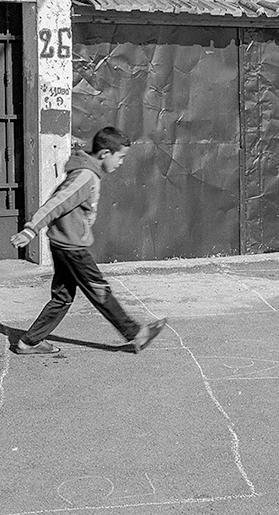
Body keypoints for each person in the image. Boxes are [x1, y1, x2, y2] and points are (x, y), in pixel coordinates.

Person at [10, 125, 166, 355]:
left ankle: (29, 341)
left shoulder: (86, 171)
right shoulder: (85, 176)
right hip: (72, 248)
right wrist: (31, 230)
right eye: (120, 157)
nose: (121, 163)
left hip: (64, 243)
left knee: (62, 297)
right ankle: (136, 334)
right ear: (104, 154)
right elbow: (56, 203)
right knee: (100, 291)